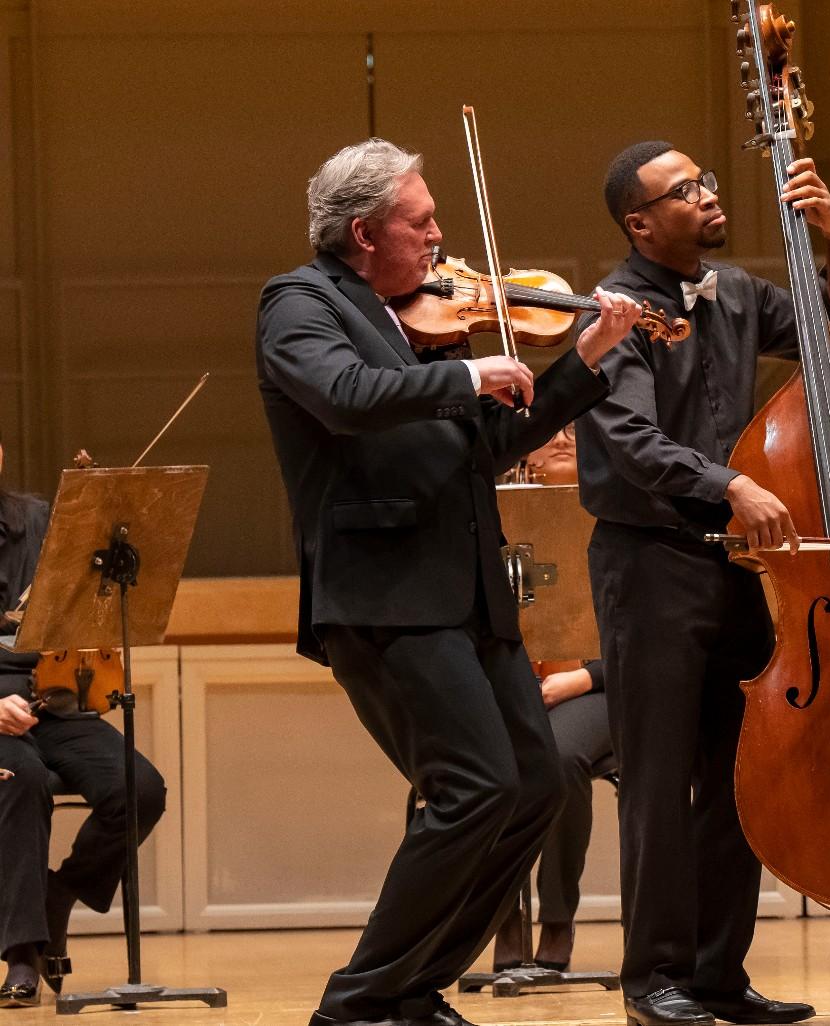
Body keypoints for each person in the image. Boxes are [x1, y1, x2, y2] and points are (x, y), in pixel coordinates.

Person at [256, 137, 645, 1026]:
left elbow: (484, 450)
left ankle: (411, 989)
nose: (440, 240)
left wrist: (582, 362)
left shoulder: (416, 319)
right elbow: (345, 395)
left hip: (470, 597)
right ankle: (360, 1002)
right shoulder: (299, 303)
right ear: (363, 231)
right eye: (421, 222)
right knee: (472, 789)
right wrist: (467, 372)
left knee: (535, 786)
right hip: (385, 598)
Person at [574, 140, 830, 1026]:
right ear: (640, 221)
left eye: (705, 181)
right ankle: (652, 979)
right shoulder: (614, 313)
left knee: (738, 773)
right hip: (651, 563)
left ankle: (715, 974)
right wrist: (732, 482)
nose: (707, 195)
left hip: (738, 566)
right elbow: (625, 436)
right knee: (660, 779)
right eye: (685, 189)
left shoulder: (738, 292)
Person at [0, 430, 167, 1008]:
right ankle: (21, 955)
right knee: (19, 781)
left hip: (53, 692)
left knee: (140, 787)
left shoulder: (37, 519)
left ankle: (61, 891)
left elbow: (82, 592)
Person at [487, 425, 617, 974]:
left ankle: (558, 917)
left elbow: (647, 634)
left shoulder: (615, 522)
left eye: (573, 427)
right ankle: (502, 918)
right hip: (524, 687)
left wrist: (581, 679)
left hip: (606, 687)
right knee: (491, 763)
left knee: (557, 759)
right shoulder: (508, 528)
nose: (563, 437)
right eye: (549, 428)